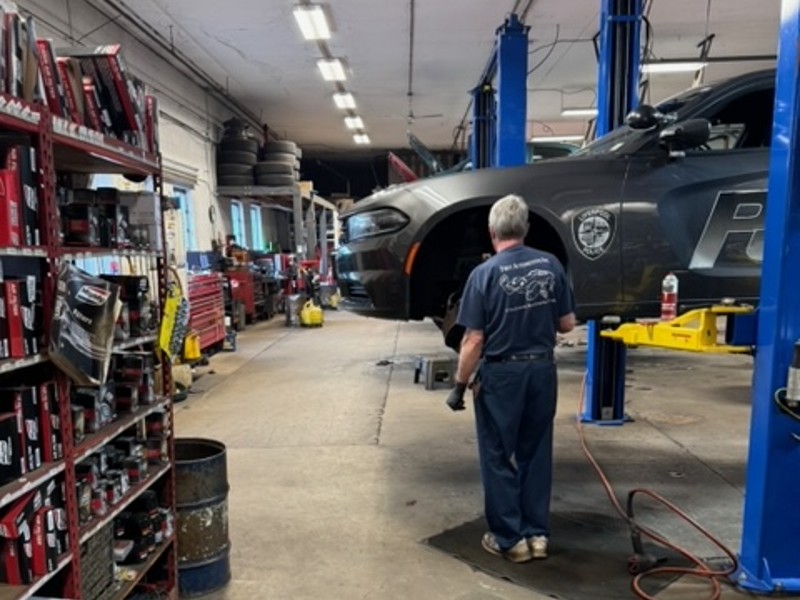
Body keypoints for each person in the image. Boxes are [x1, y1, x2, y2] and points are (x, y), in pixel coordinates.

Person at [445, 193, 576, 563]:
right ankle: (537, 536)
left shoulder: (483, 275)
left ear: (492, 232)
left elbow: (473, 339)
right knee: (535, 453)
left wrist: (458, 385)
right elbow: (567, 324)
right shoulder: (550, 264)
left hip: (502, 375)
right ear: (526, 229)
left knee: (498, 455)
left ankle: (509, 540)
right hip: (541, 371)